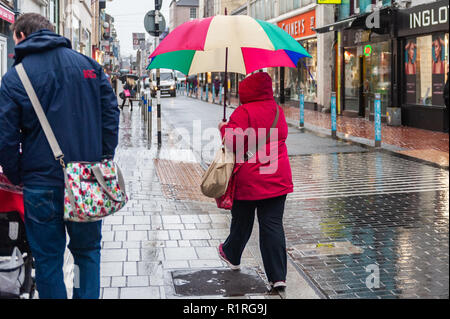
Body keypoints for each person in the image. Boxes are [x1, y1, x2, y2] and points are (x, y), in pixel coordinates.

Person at [0, 13, 120, 299]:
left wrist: (19, 175)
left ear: (20, 36)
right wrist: (101, 158)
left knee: (48, 261)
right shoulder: (90, 67)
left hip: (41, 184)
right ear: (51, 32)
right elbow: (110, 116)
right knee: (86, 254)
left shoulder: (15, 77)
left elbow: (5, 138)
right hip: (87, 180)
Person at [217, 72, 293, 293]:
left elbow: (232, 143)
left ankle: (232, 254)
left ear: (246, 91)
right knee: (272, 225)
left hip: (249, 177)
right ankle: (278, 277)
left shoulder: (243, 112)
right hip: (278, 176)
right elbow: (283, 134)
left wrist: (223, 127)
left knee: (242, 219)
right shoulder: (277, 110)